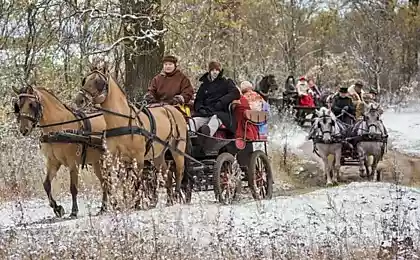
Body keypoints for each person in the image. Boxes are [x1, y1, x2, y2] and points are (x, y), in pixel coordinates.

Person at [190, 61, 240, 137]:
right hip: (206, 112)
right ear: (209, 71)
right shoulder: (204, 85)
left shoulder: (226, 82)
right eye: (213, 70)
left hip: (220, 111)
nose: (215, 72)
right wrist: (200, 108)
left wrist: (222, 101)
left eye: (217, 70)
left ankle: (207, 133)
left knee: (215, 120)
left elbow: (235, 93)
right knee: (193, 121)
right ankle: (191, 135)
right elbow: (198, 100)